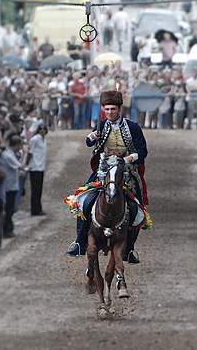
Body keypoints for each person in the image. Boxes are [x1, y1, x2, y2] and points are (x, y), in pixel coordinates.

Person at [66, 90, 149, 264]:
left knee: (137, 208)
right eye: (107, 109)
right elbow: (89, 142)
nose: (110, 112)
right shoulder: (101, 126)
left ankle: (129, 249)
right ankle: (80, 243)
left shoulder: (133, 127)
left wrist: (128, 158)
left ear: (120, 110)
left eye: (113, 109)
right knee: (84, 200)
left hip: (126, 171)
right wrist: (91, 137)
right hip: (103, 170)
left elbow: (142, 151)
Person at [28, 124, 48, 216]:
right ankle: (35, 209)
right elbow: (30, 152)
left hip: (40, 167)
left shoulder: (44, 140)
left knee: (39, 189)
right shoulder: (34, 139)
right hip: (35, 167)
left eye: (44, 129)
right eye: (41, 129)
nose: (42, 130)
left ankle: (38, 208)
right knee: (35, 190)